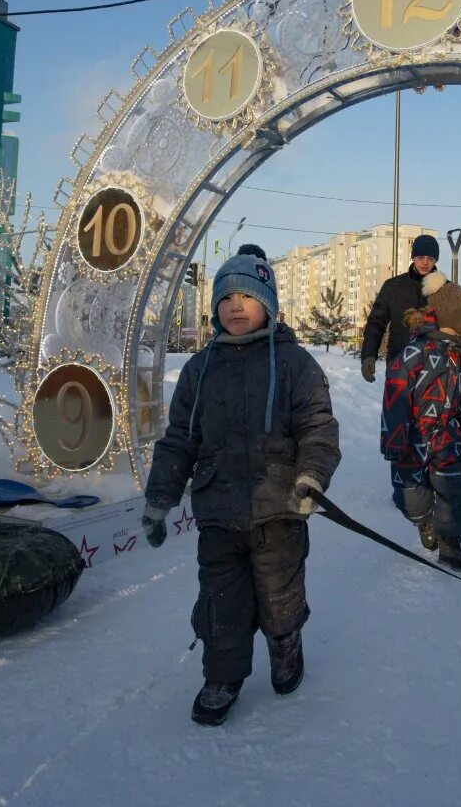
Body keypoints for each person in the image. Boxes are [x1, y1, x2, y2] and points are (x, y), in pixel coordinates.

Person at [141, 244, 341, 727]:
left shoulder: (294, 364)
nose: (235, 305)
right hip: (218, 510)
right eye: (225, 297)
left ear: (268, 304)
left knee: (279, 593)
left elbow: (318, 426)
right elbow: (178, 440)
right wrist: (159, 497)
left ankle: (285, 643)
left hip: (279, 508)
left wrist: (310, 477)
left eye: (246, 296)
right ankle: (222, 676)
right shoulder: (198, 369)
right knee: (220, 600)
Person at [381, 273, 461, 571]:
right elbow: (395, 397)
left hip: (447, 438)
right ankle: (423, 522)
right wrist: (394, 442)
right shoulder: (414, 353)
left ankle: (451, 544)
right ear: (452, 317)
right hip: (413, 439)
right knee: (410, 498)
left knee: (455, 493)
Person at [360, 234, 441, 382]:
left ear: (436, 260)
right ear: (413, 257)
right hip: (399, 363)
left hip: (434, 367)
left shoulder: (444, 289)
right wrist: (368, 355)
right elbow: (376, 322)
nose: (425, 262)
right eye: (420, 257)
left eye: (430, 258)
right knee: (397, 405)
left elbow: (459, 327)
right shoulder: (393, 286)